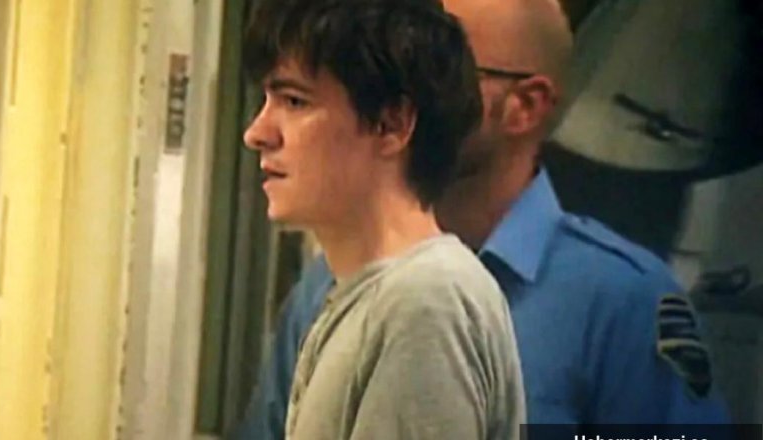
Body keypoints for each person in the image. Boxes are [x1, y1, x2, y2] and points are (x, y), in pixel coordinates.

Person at [233, 0, 730, 438]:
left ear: (525, 106)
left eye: (442, 67)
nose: (400, 92)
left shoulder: (620, 300)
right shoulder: (331, 283)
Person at [239, 0, 526, 438]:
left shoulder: (425, 301)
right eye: (266, 101)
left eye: (294, 101)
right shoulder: (365, 294)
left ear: (392, 123)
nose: (256, 133)